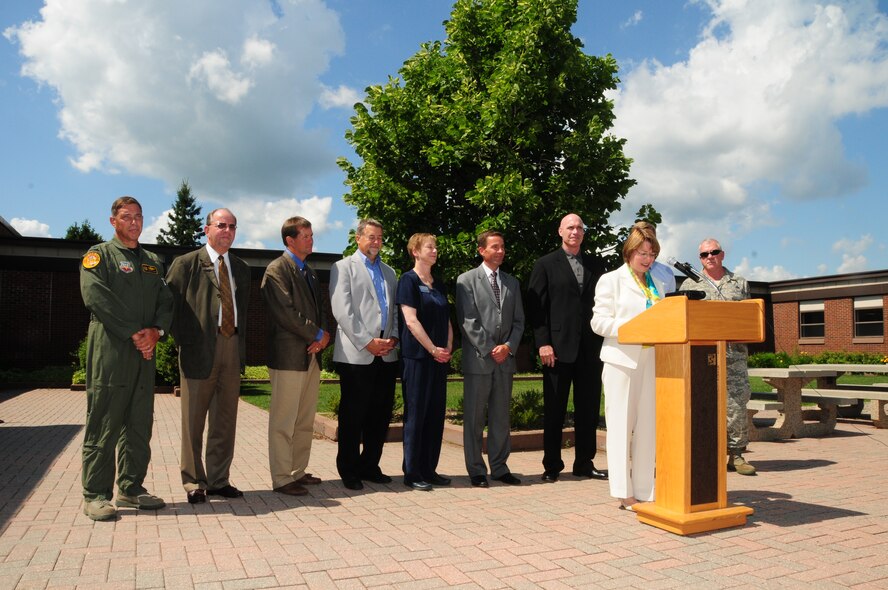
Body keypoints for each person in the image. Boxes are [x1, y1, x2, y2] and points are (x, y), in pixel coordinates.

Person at [79, 196, 174, 520]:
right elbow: (96, 297)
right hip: (111, 349)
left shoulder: (152, 260)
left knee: (138, 423)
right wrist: (135, 332)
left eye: (138, 216)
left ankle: (131, 490)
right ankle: (95, 494)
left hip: (144, 353)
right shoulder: (99, 256)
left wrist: (156, 332)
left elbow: (166, 300)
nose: (134, 222)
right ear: (113, 221)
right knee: (104, 421)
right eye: (126, 216)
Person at [166, 208, 251, 504]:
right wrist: (186, 340)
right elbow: (169, 307)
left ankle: (218, 479)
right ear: (207, 229)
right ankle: (193, 481)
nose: (227, 230)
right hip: (198, 349)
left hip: (231, 345)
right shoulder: (186, 264)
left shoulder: (240, 267)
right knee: (193, 421)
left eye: (232, 226)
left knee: (225, 419)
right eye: (221, 225)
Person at [591, 222, 671, 510]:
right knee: (621, 427)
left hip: (652, 361)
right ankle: (623, 492)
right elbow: (598, 322)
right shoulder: (610, 280)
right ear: (629, 252)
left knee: (648, 426)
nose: (647, 259)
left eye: (652, 253)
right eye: (642, 253)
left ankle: (644, 489)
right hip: (621, 362)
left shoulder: (658, 285)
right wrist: (633, 327)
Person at [526, 213, 607, 483]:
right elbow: (537, 310)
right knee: (555, 410)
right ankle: (552, 465)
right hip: (557, 350)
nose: (575, 232)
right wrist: (543, 343)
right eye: (570, 227)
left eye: (580, 228)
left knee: (588, 409)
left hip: (591, 349)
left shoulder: (597, 265)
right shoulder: (545, 264)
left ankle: (584, 462)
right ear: (560, 231)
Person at [260, 216, 331, 496]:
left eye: (312, 235)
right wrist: (317, 335)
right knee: (283, 420)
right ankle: (281, 477)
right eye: (306, 236)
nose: (311, 240)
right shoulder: (276, 269)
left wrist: (323, 335)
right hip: (289, 357)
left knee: (304, 419)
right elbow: (285, 312)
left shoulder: (310, 271)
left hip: (311, 356)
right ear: (290, 240)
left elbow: (320, 309)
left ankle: (298, 471)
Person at [329, 219, 400, 491]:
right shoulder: (343, 267)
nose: (376, 242)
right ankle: (348, 470)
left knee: (380, 416)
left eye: (380, 238)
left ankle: (370, 465)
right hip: (356, 355)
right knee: (353, 416)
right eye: (371, 237)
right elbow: (342, 311)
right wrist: (368, 342)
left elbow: (392, 310)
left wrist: (392, 337)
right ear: (358, 238)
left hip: (386, 354)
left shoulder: (389, 272)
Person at [455, 230, 525, 487]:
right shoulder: (466, 280)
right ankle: (475, 469)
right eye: (495, 247)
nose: (500, 251)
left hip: (505, 361)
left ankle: (499, 467)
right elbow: (468, 321)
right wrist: (489, 348)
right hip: (479, 361)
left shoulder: (512, 283)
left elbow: (519, 321)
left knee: (500, 418)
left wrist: (507, 347)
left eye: (503, 246)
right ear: (481, 250)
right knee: (474, 419)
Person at [691, 238, 756, 476]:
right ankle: (708, 454)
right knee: (703, 405)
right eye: (704, 254)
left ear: (723, 254)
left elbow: (750, 318)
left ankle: (736, 455)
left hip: (734, 355)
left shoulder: (739, 283)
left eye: (714, 252)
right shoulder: (692, 283)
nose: (709, 257)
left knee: (737, 404)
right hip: (702, 356)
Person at [396, 233, 454, 491]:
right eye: (430, 247)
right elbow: (410, 320)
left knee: (434, 414)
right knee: (417, 415)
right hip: (418, 358)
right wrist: (432, 348)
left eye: (436, 247)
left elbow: (448, 321)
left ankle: (430, 469)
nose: (435, 250)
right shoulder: (407, 281)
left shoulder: (438, 284)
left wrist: (448, 348)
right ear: (416, 252)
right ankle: (412, 472)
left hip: (439, 359)